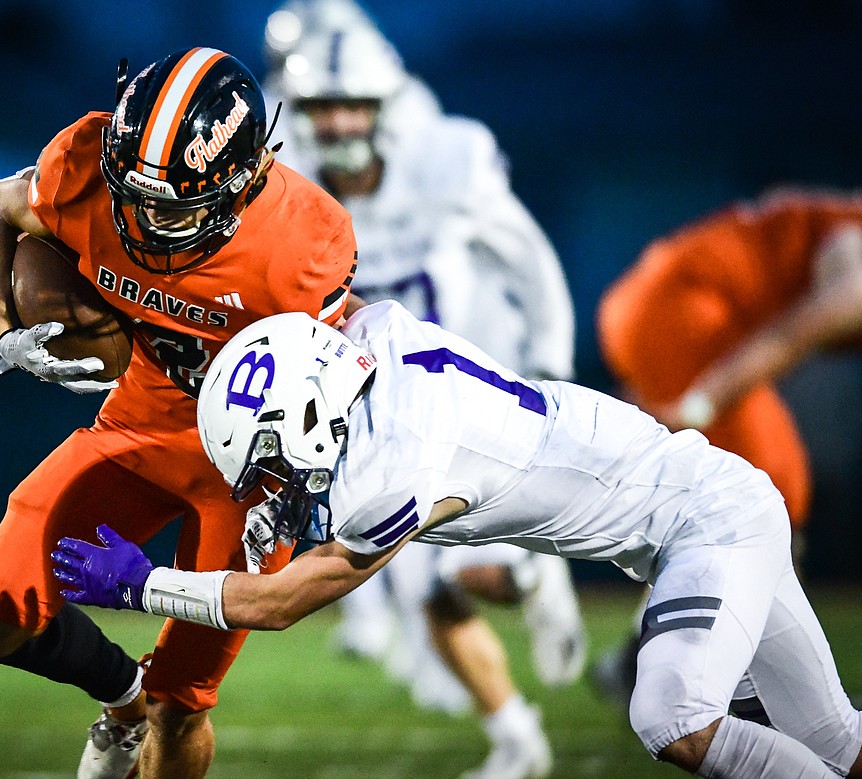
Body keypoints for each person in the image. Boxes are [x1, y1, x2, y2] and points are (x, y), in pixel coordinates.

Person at [52, 301, 862, 779]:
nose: (273, 487)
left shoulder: (393, 470)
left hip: (706, 521)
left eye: (271, 465)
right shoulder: (374, 337)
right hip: (711, 503)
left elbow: (277, 602)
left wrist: (140, 584)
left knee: (672, 713)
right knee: (836, 746)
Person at [0, 47, 359, 779]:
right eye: (132, 195)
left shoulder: (299, 241)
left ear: (243, 180)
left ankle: (155, 704)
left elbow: (334, 377)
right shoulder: (85, 167)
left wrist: (310, 487)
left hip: (247, 471)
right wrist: (3, 327)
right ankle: (122, 695)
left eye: (171, 205)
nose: (144, 219)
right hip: (140, 422)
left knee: (182, 704)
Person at [259, 2, 584, 774]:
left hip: (476, 378)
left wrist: (551, 367)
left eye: (351, 105)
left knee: (467, 570)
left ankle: (534, 576)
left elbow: (530, 260)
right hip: (388, 411)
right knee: (413, 573)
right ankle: (516, 735)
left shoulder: (446, 161)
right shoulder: (292, 194)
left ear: (385, 107)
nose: (337, 123)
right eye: (321, 107)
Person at [592, 186, 862, 707]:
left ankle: (641, 661)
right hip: (680, 311)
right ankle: (714, 680)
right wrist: (699, 403)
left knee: (760, 497)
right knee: (770, 498)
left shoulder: (851, 228)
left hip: (659, 300)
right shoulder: (861, 275)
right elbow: (784, 339)